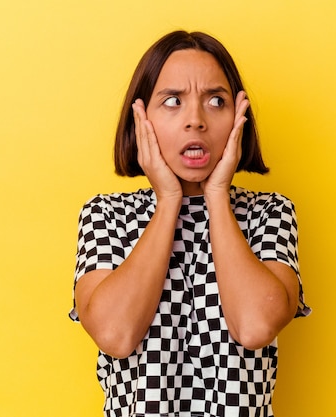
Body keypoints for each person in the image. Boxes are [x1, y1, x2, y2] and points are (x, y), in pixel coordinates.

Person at [69, 30, 311, 417]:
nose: (195, 121)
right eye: (172, 102)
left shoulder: (271, 213)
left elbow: (254, 327)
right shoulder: (106, 215)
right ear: (140, 117)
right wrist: (168, 201)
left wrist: (217, 195)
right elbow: (115, 335)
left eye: (216, 101)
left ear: (239, 117)